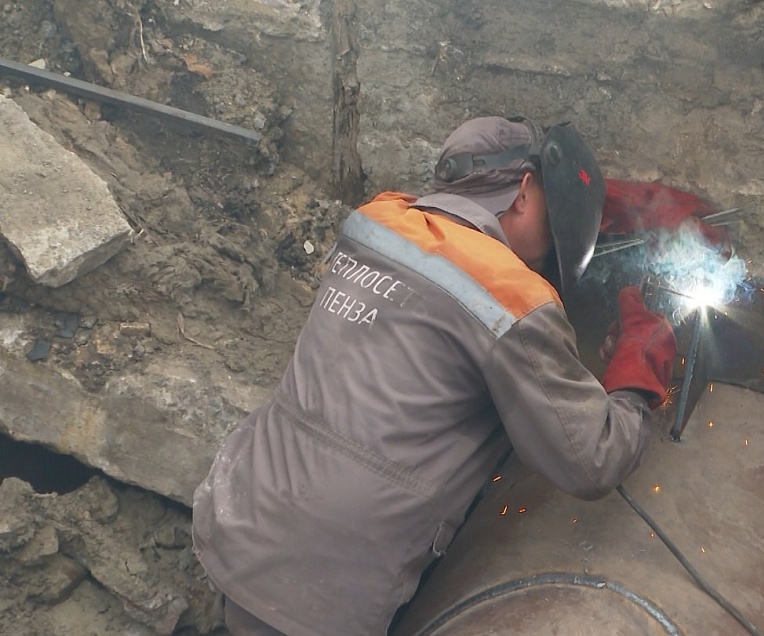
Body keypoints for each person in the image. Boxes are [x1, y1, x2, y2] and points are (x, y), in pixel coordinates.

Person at [191, 116, 678, 636]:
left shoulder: (377, 222)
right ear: (525, 188)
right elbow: (592, 459)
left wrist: (585, 208)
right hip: (328, 588)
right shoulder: (509, 297)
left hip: (239, 522)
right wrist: (636, 368)